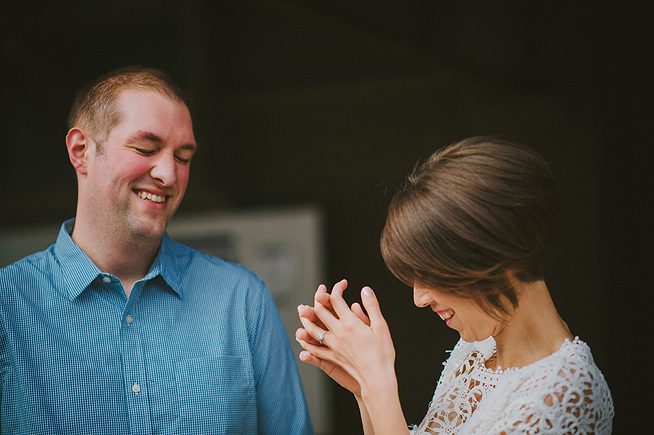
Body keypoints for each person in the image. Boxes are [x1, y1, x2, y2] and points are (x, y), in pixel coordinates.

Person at [0, 66, 312, 434]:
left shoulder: (241, 298)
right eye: (146, 148)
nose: (168, 174)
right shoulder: (8, 304)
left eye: (183, 157)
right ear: (81, 151)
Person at [296, 137, 613, 434]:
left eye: (431, 273)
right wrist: (363, 389)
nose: (419, 298)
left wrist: (379, 381)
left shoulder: (567, 388)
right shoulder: (475, 352)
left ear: (493, 255)